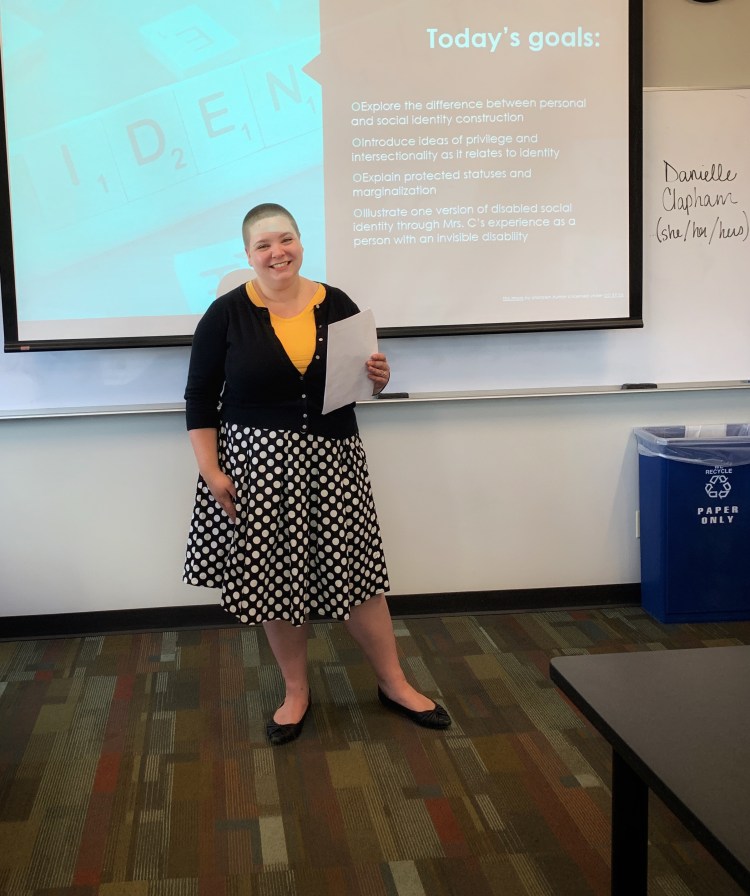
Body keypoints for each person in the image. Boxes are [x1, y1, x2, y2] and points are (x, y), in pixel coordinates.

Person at [183, 203, 450, 745]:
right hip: (257, 466)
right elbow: (199, 397)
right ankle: (296, 692)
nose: (276, 252)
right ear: (248, 255)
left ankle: (394, 683)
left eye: (285, 240)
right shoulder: (225, 314)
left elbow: (359, 384)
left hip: (333, 461)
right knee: (276, 582)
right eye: (263, 245)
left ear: (301, 242)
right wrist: (210, 470)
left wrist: (379, 377)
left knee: (358, 578)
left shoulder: (338, 304)